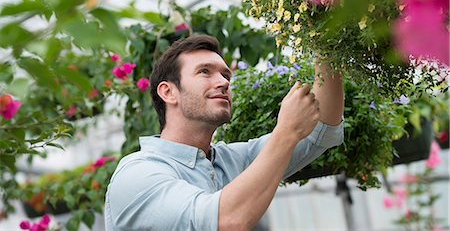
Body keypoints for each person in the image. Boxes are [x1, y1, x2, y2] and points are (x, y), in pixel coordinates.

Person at [105, 35, 344, 230]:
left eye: (225, 75)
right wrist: (286, 132)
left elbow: (321, 129)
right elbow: (225, 221)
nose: (224, 82)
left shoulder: (233, 160)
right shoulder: (138, 174)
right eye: (205, 72)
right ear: (168, 92)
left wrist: (323, 39)